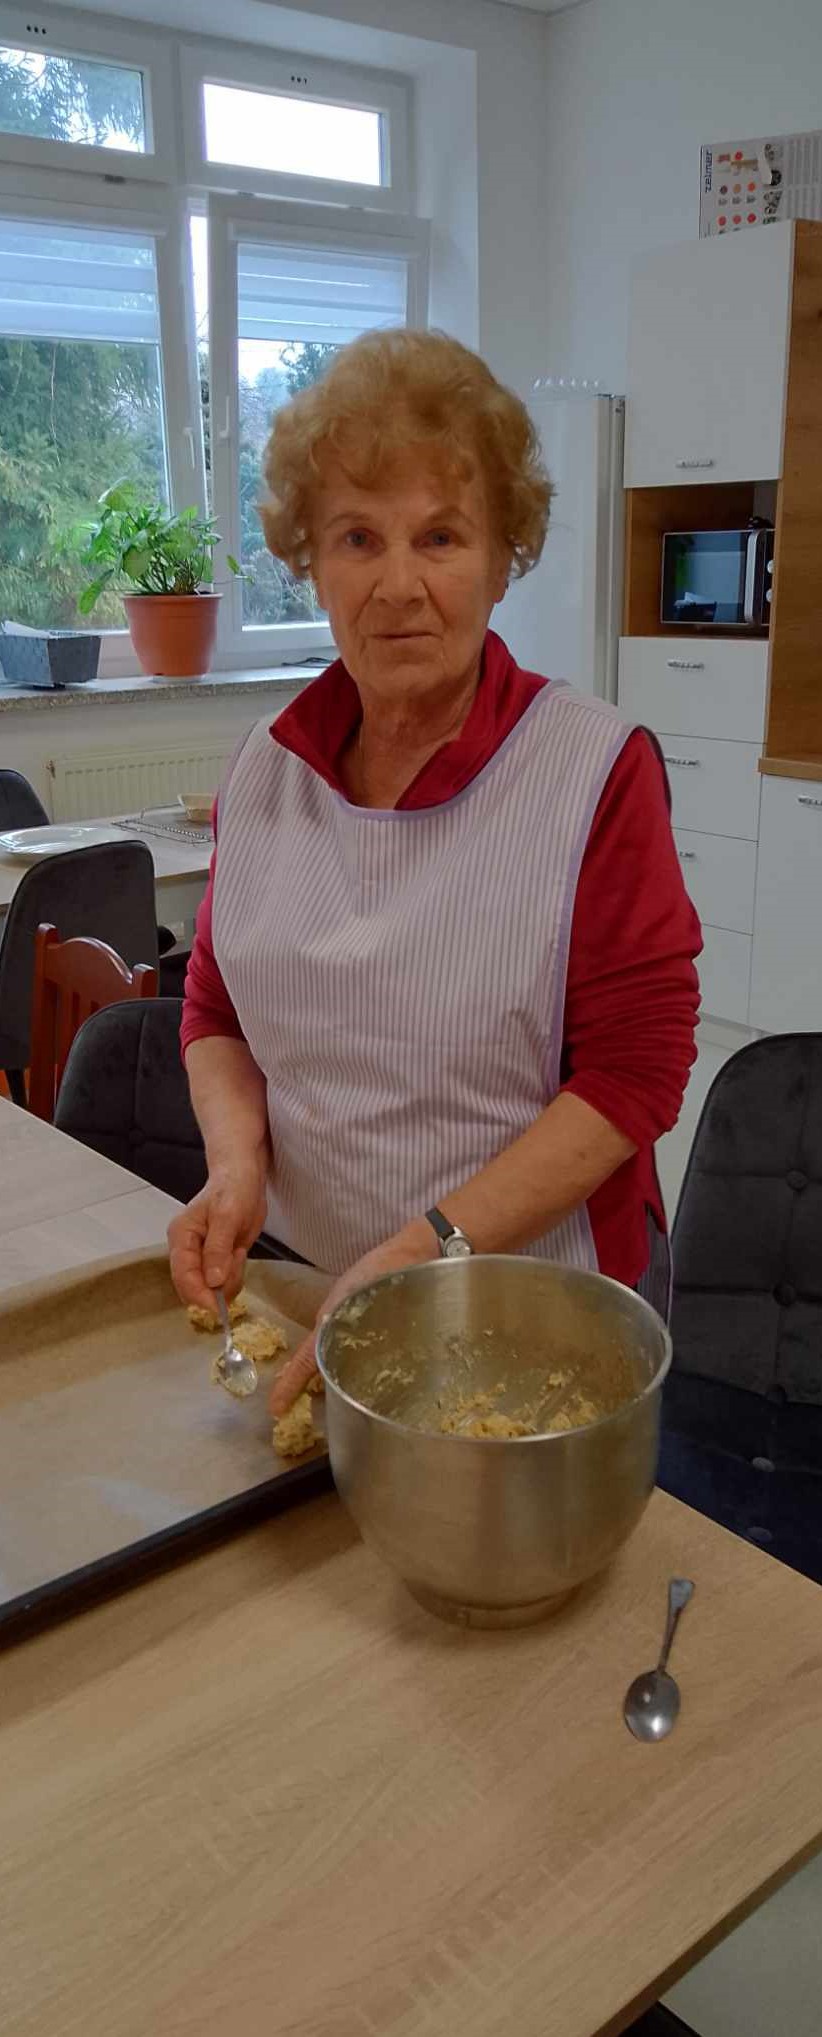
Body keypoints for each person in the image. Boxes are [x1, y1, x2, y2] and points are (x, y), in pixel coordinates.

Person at [169, 328, 701, 1412]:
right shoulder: (266, 766)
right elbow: (215, 1006)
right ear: (311, 561)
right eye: (358, 538)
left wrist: (424, 1249)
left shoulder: (593, 770)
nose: (399, 585)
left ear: (503, 561)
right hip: (307, 1275)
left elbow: (634, 1073)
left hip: (528, 1297)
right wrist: (237, 1168)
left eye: (442, 536)